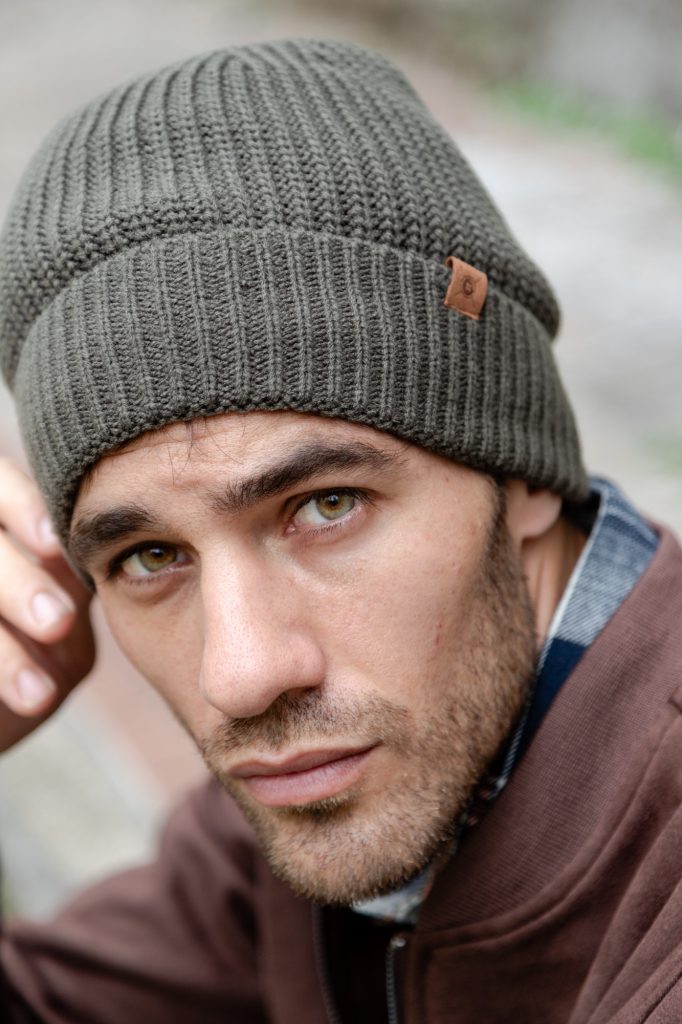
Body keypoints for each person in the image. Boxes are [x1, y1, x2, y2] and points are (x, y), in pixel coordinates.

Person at [0, 37, 679, 1024]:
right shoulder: (313, 793)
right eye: (151, 556)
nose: (240, 672)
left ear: (524, 474)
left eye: (325, 506)